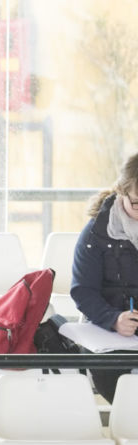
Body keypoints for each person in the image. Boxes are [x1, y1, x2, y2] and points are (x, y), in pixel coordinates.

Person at [71, 152, 138, 401]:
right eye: (137, 203)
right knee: (116, 382)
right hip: (111, 334)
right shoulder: (96, 233)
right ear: (121, 192)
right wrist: (114, 319)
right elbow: (82, 290)